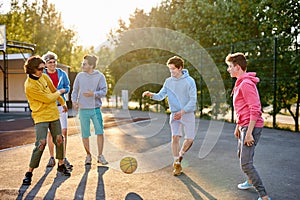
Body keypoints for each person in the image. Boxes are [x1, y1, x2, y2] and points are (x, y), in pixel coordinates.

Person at [225, 52, 272, 200]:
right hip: (244, 125)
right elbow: (242, 109)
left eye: (230, 67)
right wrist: (238, 126)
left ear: (237, 67)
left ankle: (264, 196)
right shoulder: (240, 82)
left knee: (245, 163)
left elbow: (255, 109)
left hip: (251, 127)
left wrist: (249, 132)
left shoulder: (246, 84)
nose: (228, 70)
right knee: (242, 155)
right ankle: (250, 181)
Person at [142, 56, 197, 176]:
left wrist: (182, 112)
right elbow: (161, 96)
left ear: (180, 68)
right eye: (170, 69)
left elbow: (193, 100)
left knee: (190, 139)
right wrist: (151, 94)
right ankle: (176, 162)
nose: (171, 72)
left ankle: (181, 155)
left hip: (187, 114)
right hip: (174, 114)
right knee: (175, 137)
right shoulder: (168, 81)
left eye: (173, 69)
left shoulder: (190, 81)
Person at [22, 55, 71, 185]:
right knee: (41, 143)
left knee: (59, 139)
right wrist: (60, 92)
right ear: (32, 70)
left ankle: (61, 164)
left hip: (53, 113)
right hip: (40, 116)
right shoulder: (29, 86)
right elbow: (49, 98)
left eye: (44, 68)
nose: (43, 71)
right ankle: (29, 172)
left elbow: (53, 90)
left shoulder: (44, 76)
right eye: (40, 69)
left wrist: (63, 102)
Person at [71, 55, 108, 165]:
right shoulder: (80, 76)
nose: (82, 65)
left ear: (91, 65)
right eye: (82, 63)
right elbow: (75, 90)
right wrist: (74, 101)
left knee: (100, 132)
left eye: (85, 64)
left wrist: (94, 94)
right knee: (85, 134)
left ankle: (100, 156)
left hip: (95, 109)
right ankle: (88, 155)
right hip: (83, 110)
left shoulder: (100, 76)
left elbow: (104, 91)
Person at [42, 51, 73, 170]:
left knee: (63, 132)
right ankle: (51, 157)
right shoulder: (43, 75)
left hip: (61, 106)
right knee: (51, 133)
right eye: (49, 62)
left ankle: (63, 157)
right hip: (49, 106)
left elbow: (67, 86)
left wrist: (61, 91)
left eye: (54, 62)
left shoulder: (62, 73)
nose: (52, 64)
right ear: (45, 64)